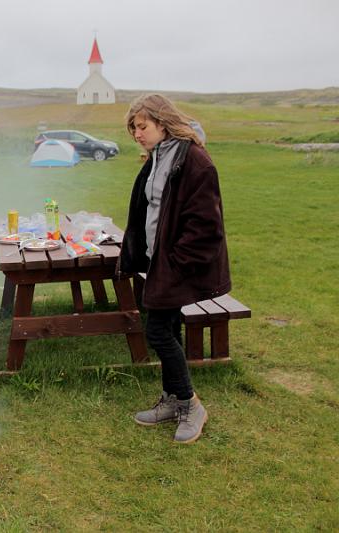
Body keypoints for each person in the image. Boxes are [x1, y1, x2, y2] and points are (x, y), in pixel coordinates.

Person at [117, 94, 231, 444]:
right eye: (133, 128)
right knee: (168, 328)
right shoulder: (159, 156)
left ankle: (190, 405)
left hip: (174, 265)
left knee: (157, 333)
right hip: (157, 261)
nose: (137, 134)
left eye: (142, 126)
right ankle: (171, 400)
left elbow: (206, 227)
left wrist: (176, 263)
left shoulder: (194, 161)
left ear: (163, 123)